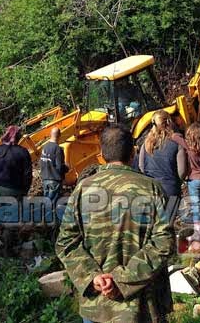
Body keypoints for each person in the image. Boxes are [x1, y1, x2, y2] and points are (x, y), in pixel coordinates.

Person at [56, 125, 175, 323]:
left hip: (97, 305)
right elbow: (164, 242)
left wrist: (92, 277)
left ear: (101, 154)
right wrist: (122, 280)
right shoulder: (151, 188)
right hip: (140, 308)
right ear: (133, 153)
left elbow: (66, 242)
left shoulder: (82, 190)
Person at [0, 125, 32, 258]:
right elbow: (28, 175)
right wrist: (24, 191)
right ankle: (7, 251)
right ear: (18, 137)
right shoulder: (23, 152)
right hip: (14, 191)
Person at [138, 110, 188, 200]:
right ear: (169, 122)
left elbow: (141, 167)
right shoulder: (177, 143)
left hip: (151, 190)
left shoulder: (146, 144)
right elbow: (182, 172)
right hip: (170, 190)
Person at [184, 122, 200, 244]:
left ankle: (197, 233)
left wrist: (172, 134)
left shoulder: (189, 149)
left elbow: (178, 140)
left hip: (194, 179)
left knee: (196, 206)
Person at [40, 127, 67, 206]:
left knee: (46, 203)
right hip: (54, 180)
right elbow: (59, 167)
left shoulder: (44, 147)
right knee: (52, 205)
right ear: (59, 135)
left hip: (45, 179)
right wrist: (67, 168)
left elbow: (41, 162)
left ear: (50, 135)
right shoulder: (58, 149)